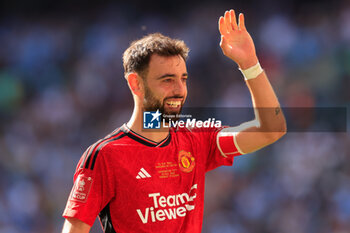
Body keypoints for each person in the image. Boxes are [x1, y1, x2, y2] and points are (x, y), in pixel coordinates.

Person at [61, 9, 286, 233]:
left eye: (183, 79)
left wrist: (250, 64)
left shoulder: (197, 140)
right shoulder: (105, 156)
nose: (179, 90)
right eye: (167, 80)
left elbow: (271, 130)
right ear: (135, 83)